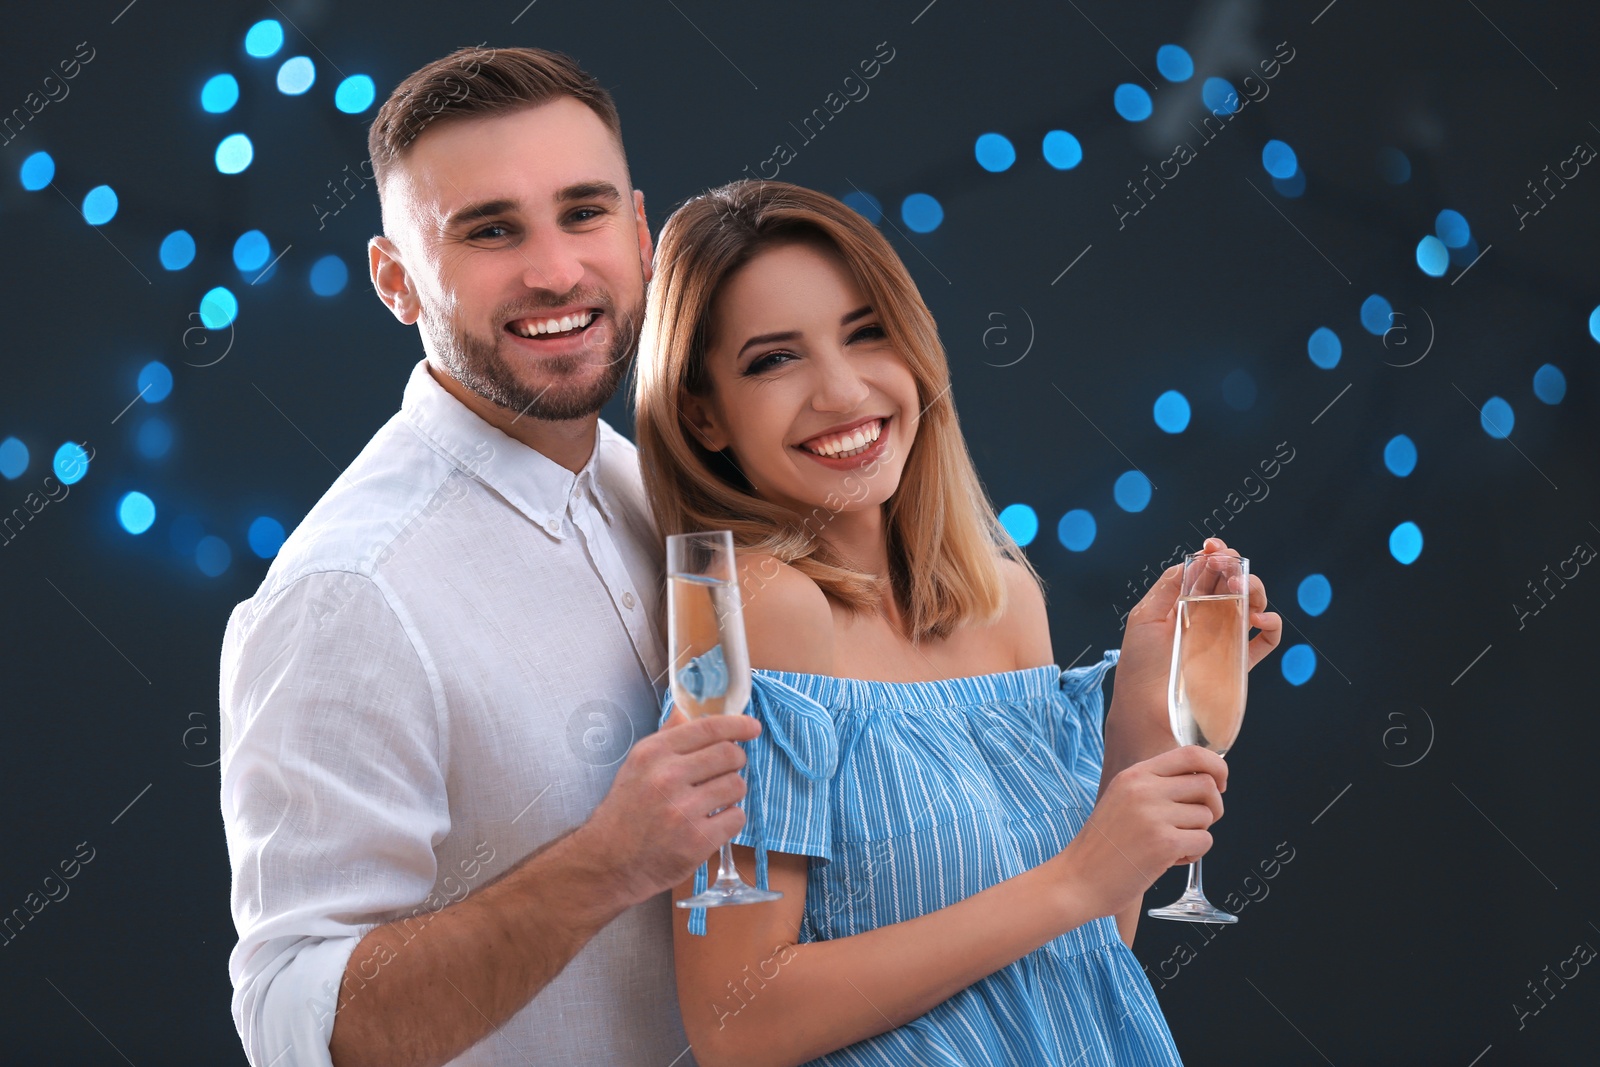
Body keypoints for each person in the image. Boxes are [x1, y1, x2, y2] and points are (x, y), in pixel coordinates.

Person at [632, 180, 1284, 1066]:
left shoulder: (1005, 598)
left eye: (866, 333)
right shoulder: (751, 616)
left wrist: (1137, 707)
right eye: (772, 360)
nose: (841, 389)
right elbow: (738, 1022)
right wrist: (1075, 875)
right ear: (702, 412)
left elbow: (1084, 947)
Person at [218, 46, 756, 1067]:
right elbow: (295, 1026)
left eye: (584, 213)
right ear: (395, 279)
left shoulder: (659, 486)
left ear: (641, 235)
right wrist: (601, 864)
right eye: (490, 231)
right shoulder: (349, 592)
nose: (555, 270)